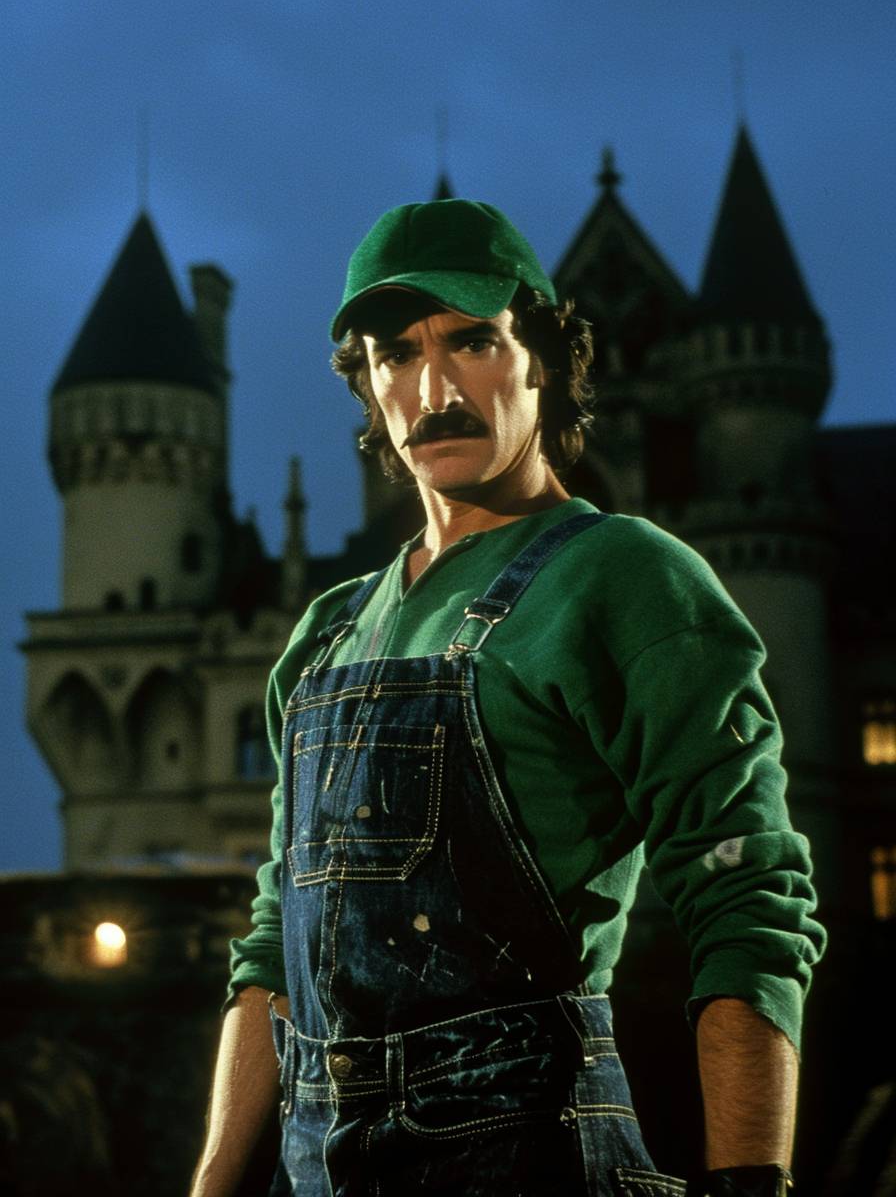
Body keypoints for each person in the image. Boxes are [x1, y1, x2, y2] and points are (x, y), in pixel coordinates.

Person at [191, 199, 825, 1197]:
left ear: (545, 360)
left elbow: (746, 900)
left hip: (531, 1157)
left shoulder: (625, 576)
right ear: (368, 386)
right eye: (396, 354)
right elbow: (274, 947)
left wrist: (748, 1182)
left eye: (472, 341)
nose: (434, 389)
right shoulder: (325, 632)